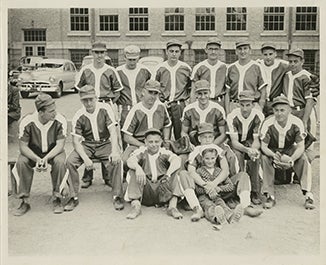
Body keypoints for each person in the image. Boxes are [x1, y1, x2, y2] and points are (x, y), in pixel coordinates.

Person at [65, 85, 124, 211]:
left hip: (104, 143)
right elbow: (76, 141)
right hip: (87, 144)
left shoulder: (105, 108)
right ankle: (73, 196)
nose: (88, 103)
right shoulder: (79, 114)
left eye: (91, 99)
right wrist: (86, 158)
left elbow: (113, 132)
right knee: (70, 161)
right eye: (85, 100)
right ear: (81, 100)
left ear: (96, 98)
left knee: (117, 161)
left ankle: (117, 196)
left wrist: (114, 150)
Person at [125, 128, 203, 221]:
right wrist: (138, 168)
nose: (154, 145)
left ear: (161, 141)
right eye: (150, 142)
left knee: (180, 172)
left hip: (162, 189)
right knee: (133, 171)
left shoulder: (164, 152)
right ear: (145, 142)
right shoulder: (142, 151)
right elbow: (130, 160)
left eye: (156, 142)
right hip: (146, 189)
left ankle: (172, 207)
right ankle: (136, 207)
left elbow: (176, 160)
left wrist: (168, 174)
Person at [187, 123, 263, 218]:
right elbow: (191, 172)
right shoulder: (196, 151)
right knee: (208, 204)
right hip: (204, 190)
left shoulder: (217, 150)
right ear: (199, 139)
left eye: (210, 137)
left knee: (243, 175)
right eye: (204, 137)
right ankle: (210, 213)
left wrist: (214, 184)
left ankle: (246, 206)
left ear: (213, 138)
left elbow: (225, 170)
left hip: (221, 187)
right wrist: (206, 186)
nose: (207, 140)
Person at [75, 41, 123, 187]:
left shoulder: (110, 70)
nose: (99, 55)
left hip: (106, 103)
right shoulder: (86, 70)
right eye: (96, 52)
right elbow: (79, 88)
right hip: (90, 104)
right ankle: (87, 176)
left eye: (102, 52)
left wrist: (106, 102)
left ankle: (107, 176)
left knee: (107, 137)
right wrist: (89, 102)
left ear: (105, 53)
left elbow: (118, 91)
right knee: (89, 137)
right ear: (92, 53)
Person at [12, 93, 68, 216]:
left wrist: (46, 158)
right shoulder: (27, 121)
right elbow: (23, 147)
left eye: (54, 109)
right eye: (50, 111)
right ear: (41, 112)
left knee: (60, 162)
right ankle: (24, 201)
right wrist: (37, 159)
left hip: (53, 152)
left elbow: (60, 145)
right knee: (21, 162)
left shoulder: (59, 120)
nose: (54, 113)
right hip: (33, 152)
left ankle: (57, 198)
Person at [260, 95, 315, 210]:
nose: (279, 113)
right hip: (273, 149)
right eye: (276, 110)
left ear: (289, 110)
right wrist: (273, 155)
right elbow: (264, 146)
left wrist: (292, 159)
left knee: (303, 158)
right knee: (264, 158)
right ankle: (270, 195)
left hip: (289, 149)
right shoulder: (268, 123)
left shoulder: (297, 122)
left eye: (282, 110)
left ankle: (308, 194)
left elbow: (300, 146)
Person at [226, 90, 265, 205]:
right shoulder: (232, 116)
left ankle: (254, 190)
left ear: (253, 105)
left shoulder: (258, 115)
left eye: (248, 105)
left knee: (255, 156)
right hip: (237, 143)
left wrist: (252, 150)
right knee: (237, 156)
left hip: (251, 141)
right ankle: (239, 189)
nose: (245, 109)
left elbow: (256, 140)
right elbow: (234, 142)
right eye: (242, 105)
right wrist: (247, 150)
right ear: (238, 104)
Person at [121, 80, 171, 163]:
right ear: (143, 92)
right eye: (150, 92)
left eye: (156, 93)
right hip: (139, 144)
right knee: (125, 161)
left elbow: (167, 124)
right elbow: (126, 136)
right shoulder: (136, 110)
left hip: (157, 143)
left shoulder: (161, 107)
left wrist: (165, 140)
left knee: (172, 159)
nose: (153, 96)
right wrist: (143, 145)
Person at [155, 39, 192, 140]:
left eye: (176, 51)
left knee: (180, 134)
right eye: (171, 51)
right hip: (164, 104)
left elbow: (190, 87)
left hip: (179, 105)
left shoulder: (185, 68)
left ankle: (180, 154)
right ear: (166, 52)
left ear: (180, 53)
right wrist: (159, 102)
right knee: (162, 133)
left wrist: (186, 101)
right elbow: (155, 88)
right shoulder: (160, 68)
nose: (174, 54)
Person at [195, 147, 242, 225]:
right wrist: (207, 190)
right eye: (207, 158)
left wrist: (218, 188)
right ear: (202, 158)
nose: (210, 161)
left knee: (222, 204)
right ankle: (217, 218)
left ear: (216, 158)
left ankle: (231, 217)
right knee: (209, 206)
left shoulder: (219, 171)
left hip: (217, 195)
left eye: (212, 158)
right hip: (203, 196)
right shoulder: (199, 171)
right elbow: (196, 189)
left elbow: (230, 186)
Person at [225, 41, 267, 114]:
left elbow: (263, 91)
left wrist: (260, 108)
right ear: (236, 51)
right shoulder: (231, 68)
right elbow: (227, 93)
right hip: (235, 105)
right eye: (240, 49)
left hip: (252, 105)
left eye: (245, 48)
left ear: (250, 51)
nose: (242, 51)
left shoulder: (257, 67)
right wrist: (228, 111)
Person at [181, 79, 226, 146]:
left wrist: (211, 146)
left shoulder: (218, 109)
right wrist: (190, 145)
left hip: (214, 144)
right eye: (199, 94)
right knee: (182, 156)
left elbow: (223, 134)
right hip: (194, 144)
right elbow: (184, 132)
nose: (203, 97)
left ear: (209, 92)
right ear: (195, 94)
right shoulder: (188, 109)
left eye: (205, 93)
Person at [116, 45, 152, 128]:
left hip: (141, 107)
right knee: (125, 133)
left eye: (134, 60)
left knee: (142, 132)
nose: (132, 62)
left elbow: (150, 88)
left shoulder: (144, 70)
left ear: (138, 58)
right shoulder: (118, 71)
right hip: (125, 108)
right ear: (125, 57)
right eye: (130, 60)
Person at [191, 37, 228, 107]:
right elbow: (193, 90)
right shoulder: (199, 67)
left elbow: (227, 91)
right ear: (206, 50)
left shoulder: (225, 67)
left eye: (216, 49)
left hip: (219, 101)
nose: (213, 52)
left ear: (220, 50)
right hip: (203, 102)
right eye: (210, 49)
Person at [257, 43, 290, 116]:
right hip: (260, 101)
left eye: (270, 54)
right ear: (262, 55)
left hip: (275, 102)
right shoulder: (258, 65)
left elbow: (297, 70)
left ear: (275, 54)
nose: (268, 57)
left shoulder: (283, 66)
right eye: (265, 55)